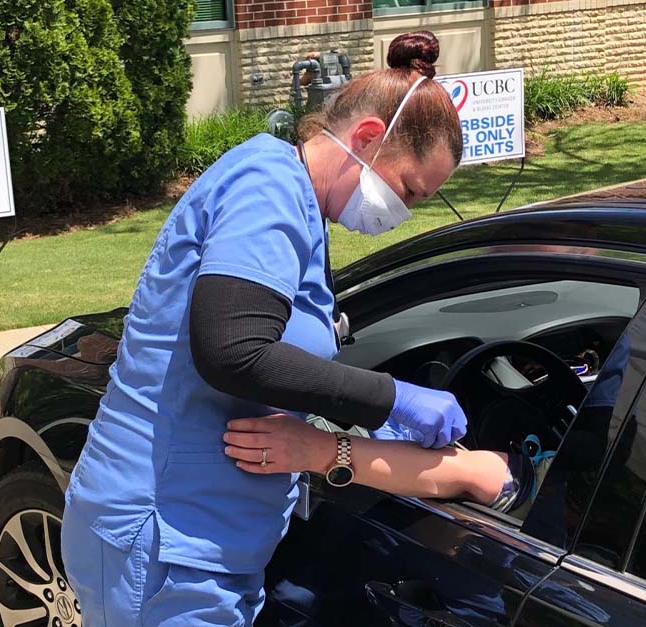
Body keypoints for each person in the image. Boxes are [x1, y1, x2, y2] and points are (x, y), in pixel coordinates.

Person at [61, 31, 507, 626]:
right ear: (368, 138)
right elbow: (234, 350)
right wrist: (393, 400)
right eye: (407, 190)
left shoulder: (297, 202)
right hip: (165, 534)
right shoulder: (266, 188)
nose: (402, 211)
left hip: (204, 540)